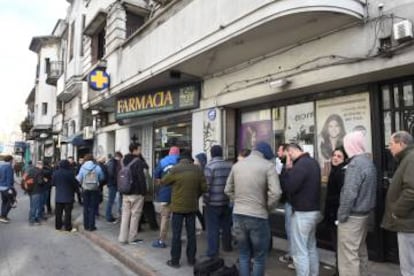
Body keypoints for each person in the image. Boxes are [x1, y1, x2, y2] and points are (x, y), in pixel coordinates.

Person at [225, 141, 281, 276]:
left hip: (238, 214)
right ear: (266, 154)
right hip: (258, 216)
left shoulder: (237, 166)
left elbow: (227, 190)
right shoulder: (268, 166)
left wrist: (237, 201)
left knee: (243, 254)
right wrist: (268, 207)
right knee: (259, 257)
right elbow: (276, 193)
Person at [337, 131, 377, 276]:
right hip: (364, 214)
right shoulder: (367, 161)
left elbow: (349, 193)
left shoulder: (355, 165)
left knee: (348, 257)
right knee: (360, 251)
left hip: (352, 216)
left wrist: (341, 216)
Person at [161, 151, 207, 268]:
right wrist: (196, 195)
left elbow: (164, 182)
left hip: (177, 208)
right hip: (192, 207)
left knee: (176, 235)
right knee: (191, 234)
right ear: (190, 159)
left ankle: (175, 261)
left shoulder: (176, 169)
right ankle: (191, 259)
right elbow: (204, 188)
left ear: (180, 159)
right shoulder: (197, 170)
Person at [284, 143, 321, 276]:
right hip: (314, 211)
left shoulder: (300, 166)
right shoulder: (313, 162)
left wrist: (288, 169)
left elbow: (289, 187)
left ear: (290, 152)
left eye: (287, 155)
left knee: (300, 251)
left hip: (302, 213)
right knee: (311, 247)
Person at [382, 131, 414, 276]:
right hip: (407, 221)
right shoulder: (406, 158)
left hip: (407, 222)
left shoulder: (411, 159)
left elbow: (411, 191)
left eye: (391, 144)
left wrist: (396, 211)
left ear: (401, 144)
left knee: (408, 266)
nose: (389, 147)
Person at [204, 145, 233, 258]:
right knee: (226, 226)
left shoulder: (209, 166)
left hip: (213, 203)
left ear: (211, 154)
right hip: (226, 201)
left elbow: (206, 186)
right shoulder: (229, 166)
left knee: (213, 228)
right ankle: (227, 246)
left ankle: (213, 251)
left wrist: (206, 199)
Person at [323, 146, 348, 275]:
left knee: (339, 246)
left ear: (344, 159)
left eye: (339, 156)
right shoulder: (335, 171)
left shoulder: (340, 173)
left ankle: (339, 272)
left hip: (337, 214)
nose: (335, 158)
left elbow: (341, 196)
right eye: (334, 155)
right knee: (337, 245)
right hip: (333, 213)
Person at [118, 143, 147, 244]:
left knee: (125, 215)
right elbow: (141, 178)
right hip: (136, 192)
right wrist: (144, 192)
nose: (140, 151)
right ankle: (132, 238)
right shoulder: (138, 162)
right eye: (139, 149)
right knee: (135, 215)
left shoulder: (123, 160)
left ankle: (122, 238)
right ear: (135, 150)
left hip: (125, 192)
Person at [152, 146, 180, 249]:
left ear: (169, 152)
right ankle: (177, 238)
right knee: (178, 217)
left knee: (165, 217)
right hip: (178, 194)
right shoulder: (180, 161)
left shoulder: (162, 161)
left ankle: (161, 240)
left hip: (165, 194)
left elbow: (156, 176)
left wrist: (161, 185)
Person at [276, 144, 295, 270]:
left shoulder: (291, 166)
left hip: (292, 202)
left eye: (280, 150)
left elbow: (288, 183)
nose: (278, 152)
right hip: (288, 201)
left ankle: (293, 256)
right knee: (290, 229)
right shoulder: (281, 164)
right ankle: (291, 253)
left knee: (291, 229)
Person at [77, 154, 104, 231]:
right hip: (95, 189)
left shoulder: (82, 167)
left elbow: (79, 178)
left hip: (85, 189)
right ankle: (92, 226)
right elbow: (102, 177)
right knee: (92, 207)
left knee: (86, 208)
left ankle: (86, 225)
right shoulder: (97, 167)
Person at [52, 160, 79, 231]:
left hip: (59, 196)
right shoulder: (70, 173)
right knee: (68, 213)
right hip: (68, 196)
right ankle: (68, 227)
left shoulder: (55, 173)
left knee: (58, 213)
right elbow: (75, 184)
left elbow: (53, 183)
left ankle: (58, 226)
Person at [27, 161, 46, 225]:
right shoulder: (39, 171)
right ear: (40, 165)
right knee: (36, 206)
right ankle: (33, 220)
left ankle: (31, 218)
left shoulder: (30, 170)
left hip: (30, 190)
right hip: (37, 190)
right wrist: (44, 181)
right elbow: (40, 182)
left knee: (32, 205)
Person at [105, 151, 122, 223]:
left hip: (112, 184)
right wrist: (117, 180)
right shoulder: (113, 163)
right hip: (113, 184)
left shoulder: (110, 162)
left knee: (111, 201)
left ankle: (110, 215)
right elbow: (112, 174)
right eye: (121, 158)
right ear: (118, 157)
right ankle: (108, 216)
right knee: (111, 201)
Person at [194, 152, 207, 231]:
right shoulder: (199, 169)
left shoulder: (201, 170)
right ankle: (204, 226)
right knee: (196, 209)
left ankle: (204, 226)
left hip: (200, 192)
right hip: (199, 192)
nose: (195, 161)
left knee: (196, 210)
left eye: (196, 160)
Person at [0, 155, 15, 223]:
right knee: (11, 202)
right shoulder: (9, 167)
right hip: (7, 187)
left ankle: (3, 216)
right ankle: (3, 216)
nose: (13, 161)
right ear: (10, 160)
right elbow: (9, 178)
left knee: (4, 202)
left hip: (1, 187)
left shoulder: (1, 166)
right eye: (13, 160)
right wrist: (10, 188)